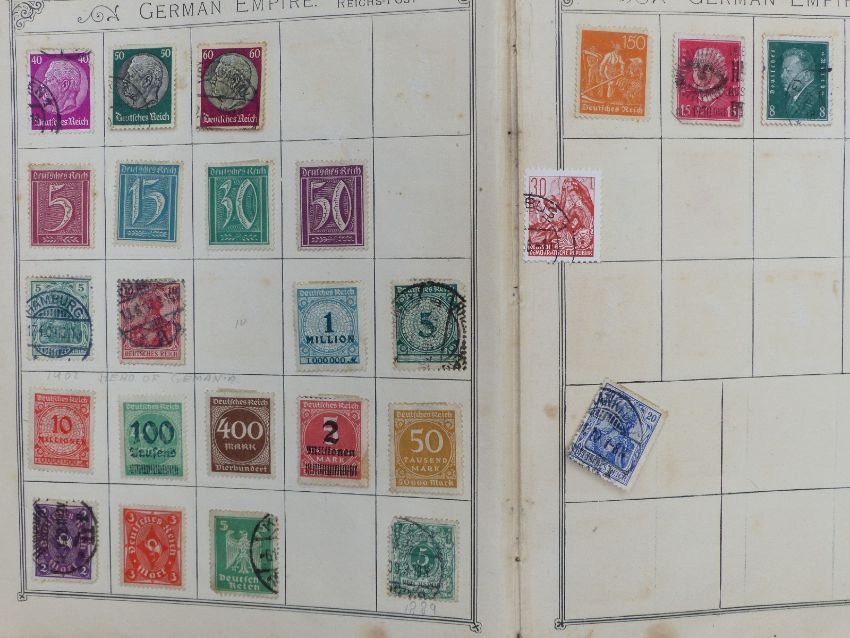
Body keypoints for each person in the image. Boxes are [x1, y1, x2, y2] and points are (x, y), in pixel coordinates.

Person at [780, 47, 821, 119]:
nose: (782, 76)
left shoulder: (817, 100)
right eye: (783, 71)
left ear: (806, 76)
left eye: (789, 71)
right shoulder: (793, 96)